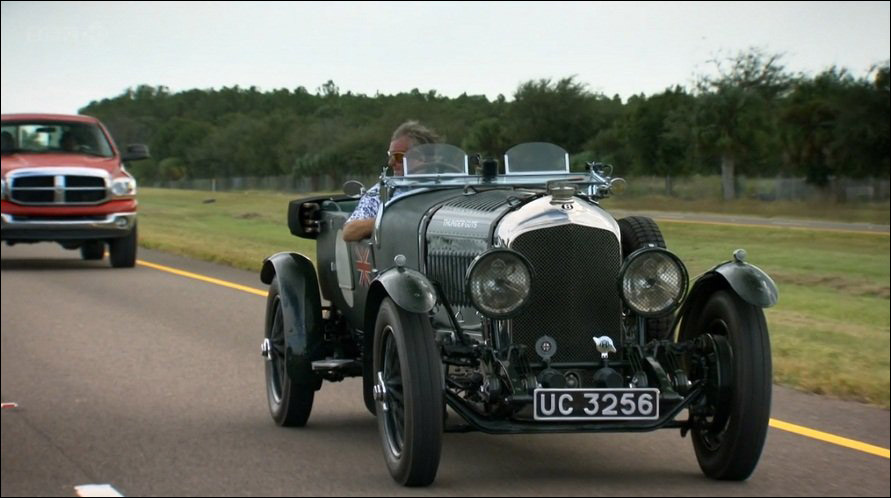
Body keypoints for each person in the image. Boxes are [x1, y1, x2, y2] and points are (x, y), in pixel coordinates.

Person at [342, 121, 440, 241]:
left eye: (398, 157)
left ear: (422, 158)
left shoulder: (451, 186)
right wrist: (392, 221)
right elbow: (349, 231)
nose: (391, 163)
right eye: (390, 156)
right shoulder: (383, 191)